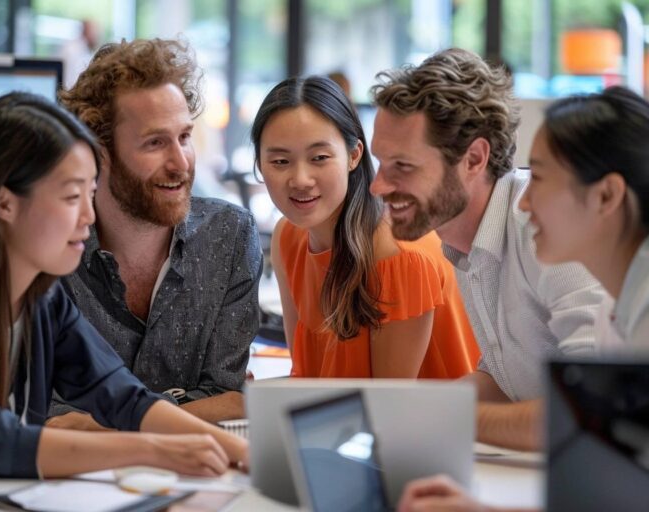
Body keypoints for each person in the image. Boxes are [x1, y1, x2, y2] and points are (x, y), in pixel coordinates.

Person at [0, 92, 247, 481]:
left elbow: (126, 398)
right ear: (5, 203)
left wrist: (241, 452)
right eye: (72, 196)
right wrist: (154, 450)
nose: (88, 216)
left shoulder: (42, 297)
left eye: (91, 194)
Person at [395, 84, 649, 512]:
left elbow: (581, 428)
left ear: (606, 196)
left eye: (541, 179)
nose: (525, 202)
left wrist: (445, 415)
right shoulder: (617, 306)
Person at [369, 48, 605, 450]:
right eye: (380, 163)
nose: (378, 186)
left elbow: (591, 407)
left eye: (403, 166)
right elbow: (507, 380)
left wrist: (442, 417)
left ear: (474, 159)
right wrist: (404, 413)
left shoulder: (544, 227)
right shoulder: (464, 239)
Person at [48, 38, 262, 428]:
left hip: (191, 465)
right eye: (155, 143)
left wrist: (101, 422)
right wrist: (185, 409)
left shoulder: (229, 237)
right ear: (99, 152)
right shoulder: (51, 250)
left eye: (184, 137)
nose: (181, 163)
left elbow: (230, 398)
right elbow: (49, 417)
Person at [251, 75, 480, 379]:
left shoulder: (398, 256)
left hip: (431, 411)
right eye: (280, 161)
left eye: (319, 158)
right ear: (260, 163)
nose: (301, 180)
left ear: (354, 155)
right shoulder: (288, 237)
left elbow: (386, 402)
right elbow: (305, 377)